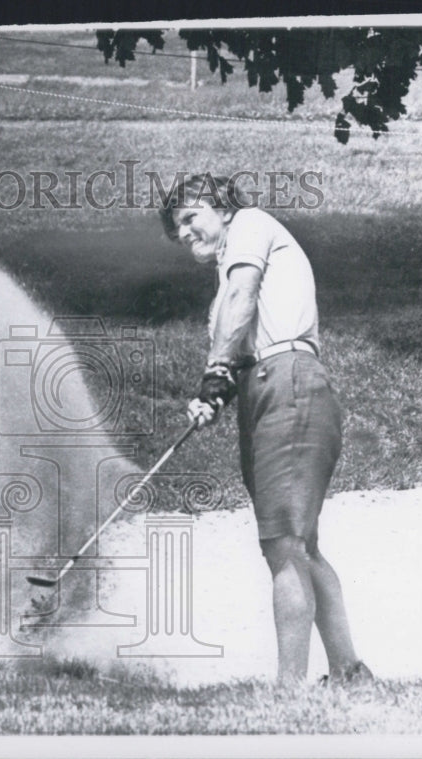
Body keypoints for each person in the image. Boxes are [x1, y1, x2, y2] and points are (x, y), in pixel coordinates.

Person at [160, 174, 372, 685]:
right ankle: (349, 673)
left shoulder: (250, 226)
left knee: (285, 544)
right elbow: (243, 342)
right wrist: (218, 391)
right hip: (266, 387)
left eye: (192, 218)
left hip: (288, 383)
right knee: (296, 544)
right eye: (177, 229)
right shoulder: (228, 264)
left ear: (223, 207)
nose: (185, 233)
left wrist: (215, 372)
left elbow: (244, 296)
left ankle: (288, 690)